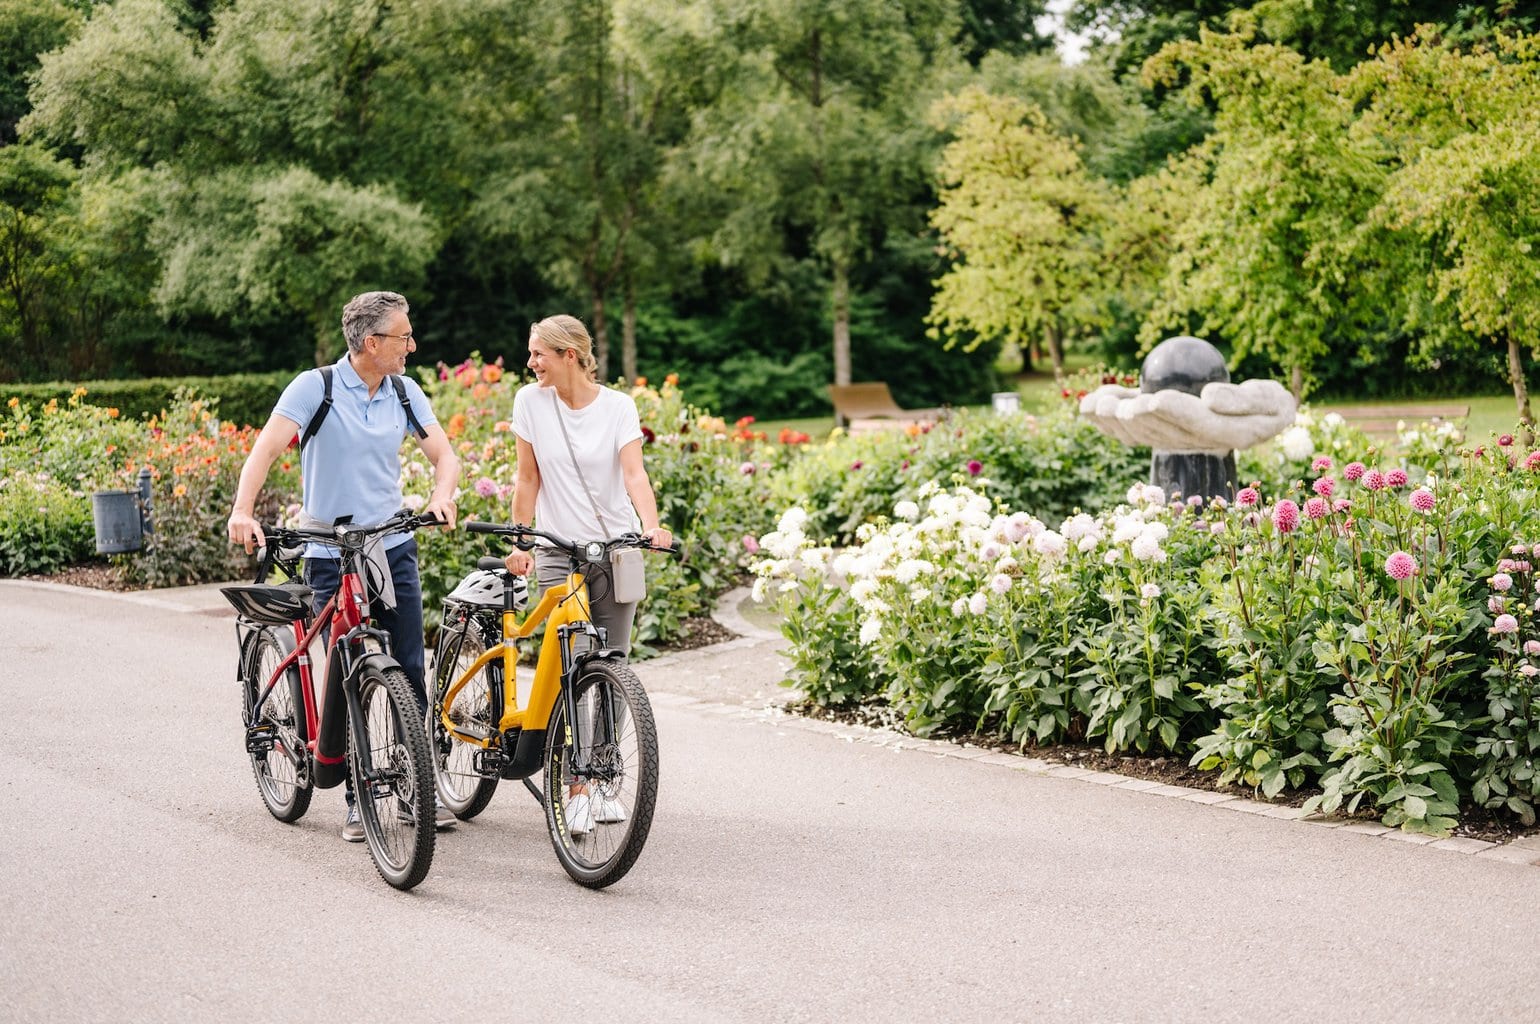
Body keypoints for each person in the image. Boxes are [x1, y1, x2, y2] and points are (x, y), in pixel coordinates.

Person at [227, 290, 461, 841]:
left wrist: (442, 494)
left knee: (406, 663)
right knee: (346, 662)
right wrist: (242, 510)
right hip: (330, 550)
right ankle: (359, 793)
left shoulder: (403, 391)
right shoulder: (317, 388)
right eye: (404, 336)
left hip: (390, 545)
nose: (412, 345)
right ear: (372, 342)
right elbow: (264, 450)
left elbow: (444, 456)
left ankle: (411, 788)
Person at [502, 315, 672, 835]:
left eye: (538, 354)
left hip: (616, 550)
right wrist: (520, 539)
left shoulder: (618, 407)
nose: (530, 363)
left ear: (568, 354)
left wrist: (652, 524)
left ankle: (599, 781)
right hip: (558, 549)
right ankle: (572, 787)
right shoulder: (531, 403)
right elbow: (527, 478)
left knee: (612, 670)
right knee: (574, 667)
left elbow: (633, 473)